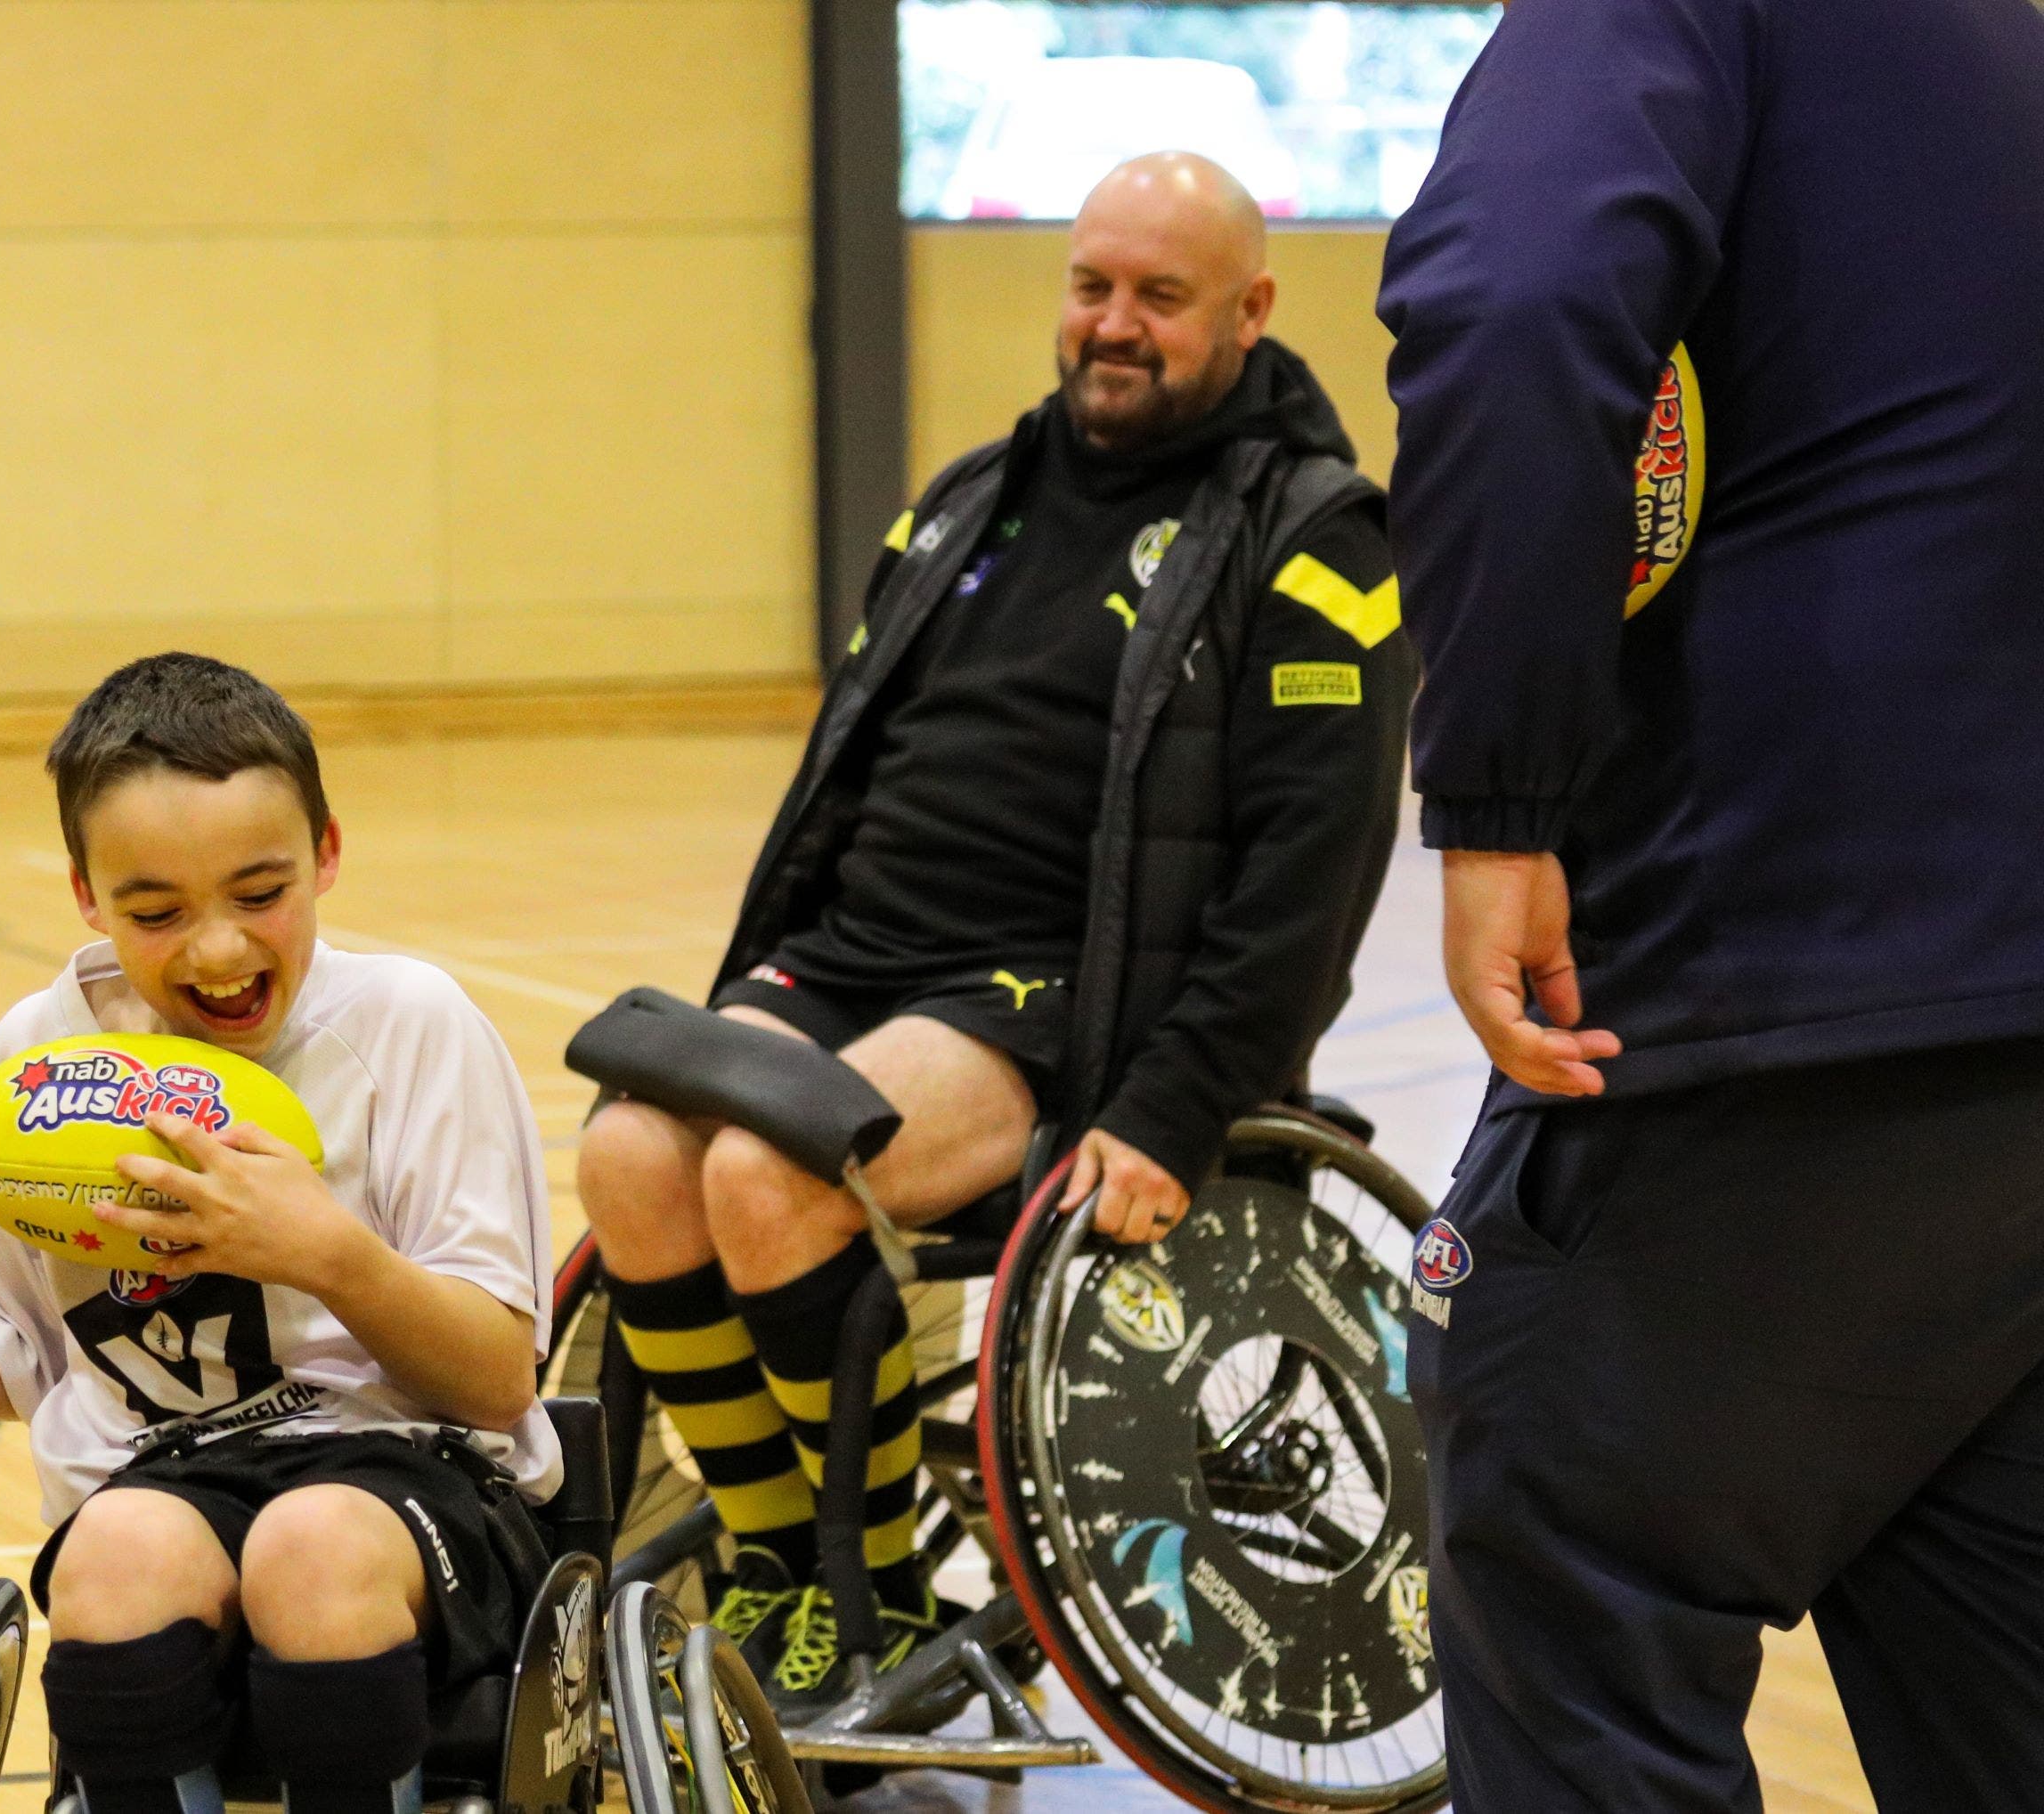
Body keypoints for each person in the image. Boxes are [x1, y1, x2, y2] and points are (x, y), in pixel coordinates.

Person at [574, 151, 1413, 1709]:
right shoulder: (973, 498)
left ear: (1252, 309)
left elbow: (1317, 874)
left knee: (771, 1171)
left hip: (1057, 1000)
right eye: (1091, 285)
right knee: (632, 1155)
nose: (1114, 323)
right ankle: (780, 1566)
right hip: (853, 957)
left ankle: (875, 1587)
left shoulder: (1314, 540)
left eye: (1161, 297)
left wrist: (1174, 1104)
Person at [1377, 1, 2044, 1807]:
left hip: (1761, 995)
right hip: (1998, 1062)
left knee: (1565, 1569)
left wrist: (1498, 797)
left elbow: (1506, 305)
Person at [0, 653, 557, 1814]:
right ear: (88, 897)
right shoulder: (42, 1060)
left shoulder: (411, 1028)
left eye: (260, 892)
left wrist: (318, 1248)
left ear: (328, 852)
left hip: (411, 1472)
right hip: (166, 1472)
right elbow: (31, 1353)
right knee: (116, 1552)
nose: (219, 950)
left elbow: (496, 1377)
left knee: (312, 1546)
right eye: (156, 911)